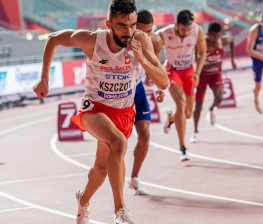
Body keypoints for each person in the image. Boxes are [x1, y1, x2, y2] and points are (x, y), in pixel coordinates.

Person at [33, 0, 168, 224]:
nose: (129, 31)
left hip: (124, 111)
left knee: (101, 168)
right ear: (109, 24)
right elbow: (53, 38)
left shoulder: (141, 40)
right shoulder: (92, 40)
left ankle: (83, 201)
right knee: (119, 144)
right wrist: (44, 79)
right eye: (122, 26)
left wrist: (142, 59)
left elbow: (163, 82)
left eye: (133, 25)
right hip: (95, 109)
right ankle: (120, 211)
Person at [156, 9, 206, 161]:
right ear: (176, 24)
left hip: (189, 72)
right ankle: (183, 147)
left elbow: (202, 53)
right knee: (181, 104)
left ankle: (172, 117)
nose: (186, 33)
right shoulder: (163, 34)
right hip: (172, 71)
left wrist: (197, 73)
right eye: (183, 30)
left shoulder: (197, 31)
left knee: (188, 113)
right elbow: (155, 57)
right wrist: (158, 83)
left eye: (188, 30)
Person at [127, 9, 165, 195]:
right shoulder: (121, 40)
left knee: (145, 134)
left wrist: (158, 87)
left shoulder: (155, 40)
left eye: (150, 31)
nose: (147, 36)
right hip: (118, 92)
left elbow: (155, 69)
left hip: (138, 88)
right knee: (116, 142)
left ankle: (134, 178)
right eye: (143, 31)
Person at [190, 21, 237, 143]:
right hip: (202, 75)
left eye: (218, 35)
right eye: (213, 36)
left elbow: (232, 40)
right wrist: (215, 63)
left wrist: (232, 59)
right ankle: (195, 131)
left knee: (220, 97)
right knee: (198, 106)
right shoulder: (201, 44)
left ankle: (212, 108)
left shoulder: (223, 40)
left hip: (216, 74)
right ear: (208, 34)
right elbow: (198, 66)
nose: (216, 38)